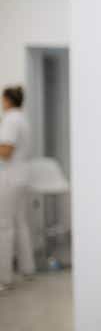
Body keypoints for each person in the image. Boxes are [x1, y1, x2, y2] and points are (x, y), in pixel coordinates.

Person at [0, 86, 34, 292]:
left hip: (9, 178)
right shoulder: (22, 118)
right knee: (20, 222)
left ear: (7, 100)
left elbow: (6, 150)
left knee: (4, 225)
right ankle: (27, 268)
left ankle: (4, 278)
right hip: (21, 177)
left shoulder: (10, 119)